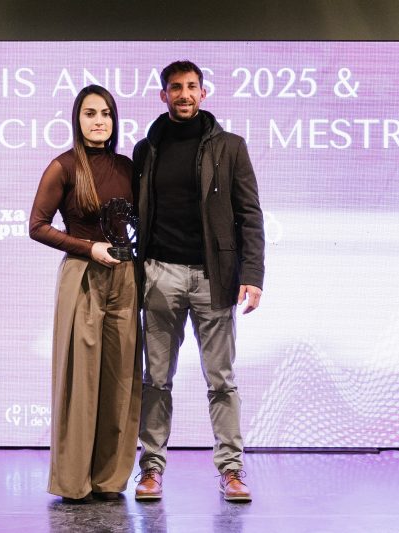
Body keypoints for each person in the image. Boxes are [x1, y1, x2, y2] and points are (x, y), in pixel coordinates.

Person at [132, 61, 265, 502]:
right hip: (160, 275)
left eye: (192, 87)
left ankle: (232, 470)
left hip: (214, 277)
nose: (184, 94)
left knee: (221, 380)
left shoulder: (230, 147)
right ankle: (151, 470)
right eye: (176, 87)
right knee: (156, 380)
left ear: (204, 93)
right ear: (163, 95)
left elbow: (250, 216)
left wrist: (252, 275)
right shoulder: (146, 149)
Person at [29, 85, 142, 502]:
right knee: (80, 380)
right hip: (83, 276)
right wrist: (88, 248)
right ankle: (73, 481)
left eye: (106, 113)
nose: (99, 121)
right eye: (90, 113)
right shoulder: (63, 167)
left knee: (121, 378)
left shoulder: (127, 168)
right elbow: (37, 226)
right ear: (77, 119)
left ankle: (109, 479)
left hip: (125, 278)